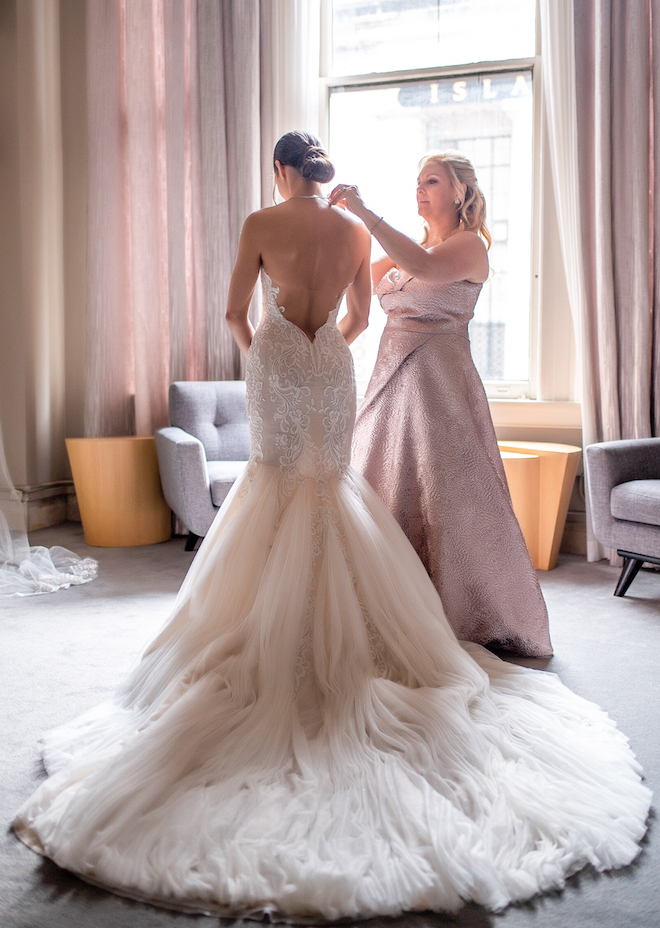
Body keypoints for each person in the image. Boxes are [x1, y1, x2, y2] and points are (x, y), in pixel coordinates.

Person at [13, 132, 649, 922]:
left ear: (281, 170)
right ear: (322, 172)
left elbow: (231, 313)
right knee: (334, 487)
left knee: (279, 486)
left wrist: (268, 350)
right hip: (335, 369)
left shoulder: (276, 223)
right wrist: (326, 352)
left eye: (432, 180)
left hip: (298, 365)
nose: (422, 190)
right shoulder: (357, 235)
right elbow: (358, 314)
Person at [331, 153, 552, 658]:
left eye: (432, 180)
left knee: (448, 502)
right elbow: (358, 281)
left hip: (440, 391)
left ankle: (465, 611)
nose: (420, 189)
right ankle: (391, 607)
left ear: (460, 192)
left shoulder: (468, 246)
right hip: (391, 386)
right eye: (417, 182)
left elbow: (423, 268)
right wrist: (339, 229)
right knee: (385, 491)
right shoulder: (414, 247)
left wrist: (366, 213)